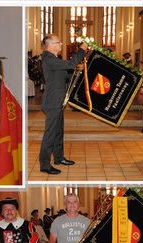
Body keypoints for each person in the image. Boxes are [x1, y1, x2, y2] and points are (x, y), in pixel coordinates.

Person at [39, 35, 88, 174]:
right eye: (58, 42)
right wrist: (82, 50)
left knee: (58, 132)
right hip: (53, 101)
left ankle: (59, 158)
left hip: (58, 101)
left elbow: (65, 74)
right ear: (50, 46)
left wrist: (78, 69)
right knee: (50, 134)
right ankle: (44, 164)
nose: (61, 43)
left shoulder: (54, 59)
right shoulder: (48, 58)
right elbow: (71, 64)